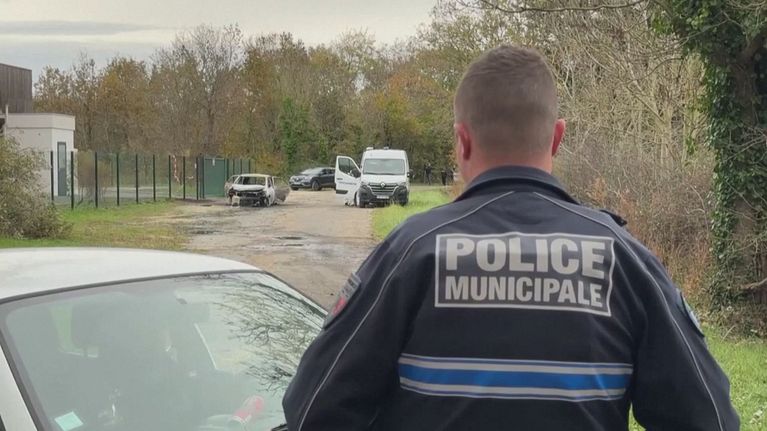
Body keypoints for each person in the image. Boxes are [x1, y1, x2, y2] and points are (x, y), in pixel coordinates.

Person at [283, 45, 739, 430]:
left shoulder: (412, 251)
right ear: (556, 138)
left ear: (462, 141)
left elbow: (313, 409)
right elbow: (711, 419)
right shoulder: (624, 259)